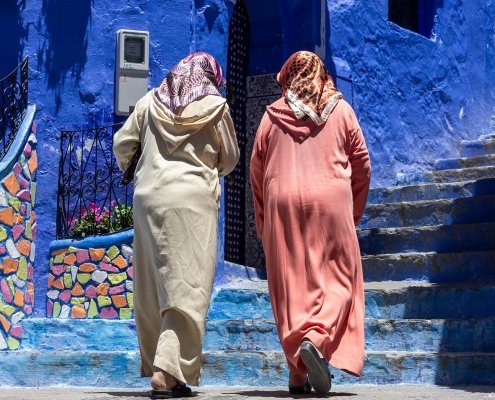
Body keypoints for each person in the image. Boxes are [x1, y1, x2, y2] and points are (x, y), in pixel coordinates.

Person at [113, 52, 239, 398]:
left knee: (155, 285)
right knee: (188, 286)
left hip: (149, 198)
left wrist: (138, 165)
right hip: (193, 202)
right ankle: (166, 369)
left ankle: (173, 372)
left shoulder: (150, 100)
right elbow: (229, 158)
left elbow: (122, 143)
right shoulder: (217, 108)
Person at [250, 51, 371, 395]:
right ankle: (316, 343)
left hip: (282, 205)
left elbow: (257, 173)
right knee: (341, 280)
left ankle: (297, 374)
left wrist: (264, 220)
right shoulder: (342, 112)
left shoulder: (271, 117)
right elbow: (362, 165)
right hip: (331, 203)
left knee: (292, 287)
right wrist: (353, 211)